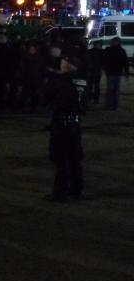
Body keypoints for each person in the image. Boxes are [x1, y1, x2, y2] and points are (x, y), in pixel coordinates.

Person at [42, 57, 85, 202]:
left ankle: (60, 192)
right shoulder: (82, 81)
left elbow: (47, 99)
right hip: (75, 123)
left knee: (60, 159)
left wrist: (52, 80)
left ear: (66, 67)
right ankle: (76, 189)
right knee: (74, 158)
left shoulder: (61, 82)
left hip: (61, 124)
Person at [101, 37, 129, 110]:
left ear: (115, 42)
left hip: (110, 72)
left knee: (110, 89)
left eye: (112, 41)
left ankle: (109, 105)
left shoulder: (109, 50)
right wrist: (126, 73)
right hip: (118, 72)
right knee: (116, 90)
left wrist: (104, 67)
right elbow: (125, 63)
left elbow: (104, 59)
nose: (111, 42)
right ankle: (114, 106)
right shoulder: (122, 51)